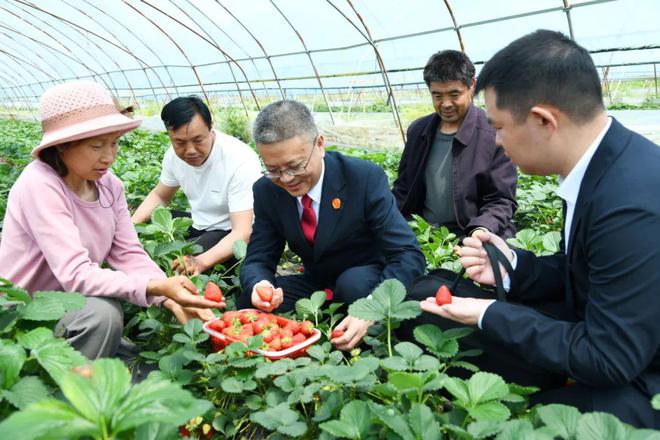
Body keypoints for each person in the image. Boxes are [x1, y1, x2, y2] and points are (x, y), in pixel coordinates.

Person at [418, 30, 660, 429]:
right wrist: (514, 267)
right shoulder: (607, 164)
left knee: (538, 418)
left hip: (642, 373)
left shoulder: (628, 204)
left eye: (498, 127)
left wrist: (490, 313)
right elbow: (584, 269)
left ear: (544, 121)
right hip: (622, 337)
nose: (495, 141)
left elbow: (609, 357)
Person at [0, 81, 222, 360]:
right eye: (96, 145)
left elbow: (128, 253)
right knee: (102, 314)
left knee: (121, 344)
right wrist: (152, 287)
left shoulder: (109, 186)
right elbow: (76, 274)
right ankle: (71, 395)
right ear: (61, 147)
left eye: (115, 142)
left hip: (68, 305)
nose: (109, 156)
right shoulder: (40, 184)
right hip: (23, 312)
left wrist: (169, 296)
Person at [238, 100, 425, 351]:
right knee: (248, 302)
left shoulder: (363, 178)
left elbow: (408, 255)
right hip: (317, 283)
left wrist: (373, 306)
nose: (286, 179)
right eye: (273, 169)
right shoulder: (267, 190)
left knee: (353, 284)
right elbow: (258, 258)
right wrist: (261, 286)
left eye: (295, 166)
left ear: (320, 144)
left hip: (367, 280)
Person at [392, 50, 517, 238]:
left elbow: (501, 200)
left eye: (454, 94)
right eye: (438, 96)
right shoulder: (418, 131)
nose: (446, 103)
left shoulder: (494, 133)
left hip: (472, 234)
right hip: (424, 234)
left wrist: (480, 230)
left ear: (472, 85)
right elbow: (403, 188)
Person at [131, 96, 261, 275]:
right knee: (145, 223)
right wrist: (129, 229)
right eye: (180, 143)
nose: (190, 150)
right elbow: (160, 195)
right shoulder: (172, 156)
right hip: (198, 221)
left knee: (184, 262)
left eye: (198, 140)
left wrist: (199, 262)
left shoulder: (239, 159)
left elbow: (243, 232)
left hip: (228, 229)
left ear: (211, 126)